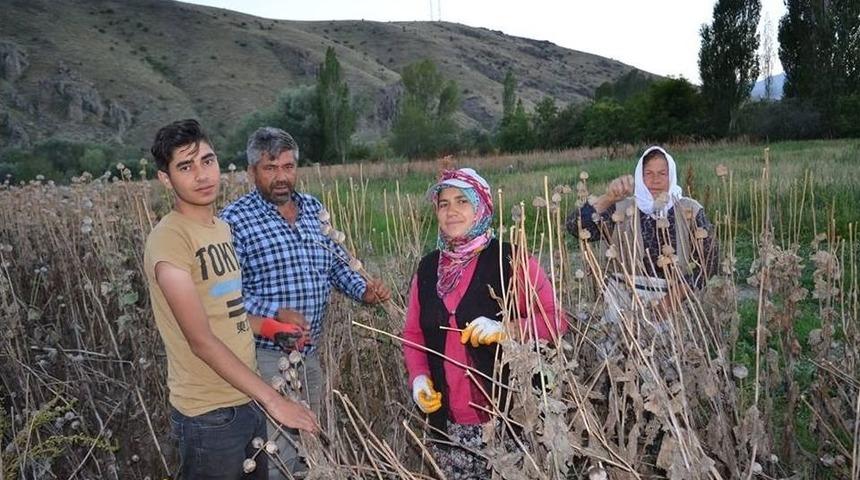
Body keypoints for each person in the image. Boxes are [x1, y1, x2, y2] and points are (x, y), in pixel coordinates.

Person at [143, 119, 318, 479]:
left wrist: (270, 328)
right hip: (209, 415)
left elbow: (228, 310)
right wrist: (275, 401)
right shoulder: (170, 241)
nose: (202, 175)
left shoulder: (220, 229)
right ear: (166, 179)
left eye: (207, 161)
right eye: (185, 167)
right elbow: (201, 341)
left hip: (245, 399)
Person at [219, 126, 391, 477]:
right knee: (277, 451)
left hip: (308, 354)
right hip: (263, 358)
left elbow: (335, 266)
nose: (281, 177)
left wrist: (364, 291)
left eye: (288, 166)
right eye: (270, 168)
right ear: (251, 172)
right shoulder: (233, 221)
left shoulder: (313, 209)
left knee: (312, 445)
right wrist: (275, 313)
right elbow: (222, 294)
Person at [402, 168, 565, 479]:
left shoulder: (510, 260)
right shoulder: (428, 268)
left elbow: (556, 319)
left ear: (481, 207)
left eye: (462, 201)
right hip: (448, 426)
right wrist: (419, 377)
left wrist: (508, 330)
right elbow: (413, 334)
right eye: (443, 203)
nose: (451, 211)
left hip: (509, 423)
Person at [565, 145, 719, 359]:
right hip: (624, 302)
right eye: (649, 173)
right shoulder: (622, 209)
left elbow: (710, 262)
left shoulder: (689, 210)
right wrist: (608, 198)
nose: (655, 180)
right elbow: (576, 228)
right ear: (639, 176)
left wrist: (672, 299)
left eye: (662, 174)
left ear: (671, 176)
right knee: (621, 363)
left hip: (676, 303)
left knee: (673, 363)